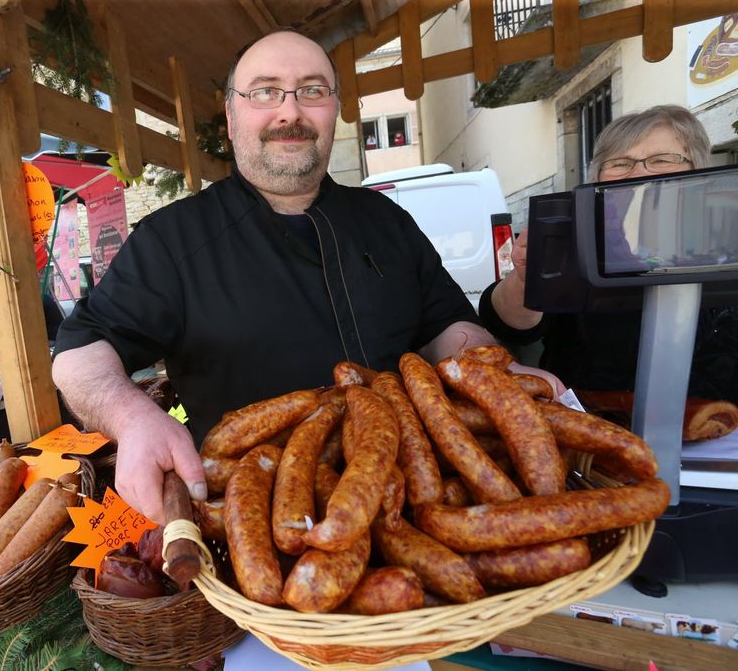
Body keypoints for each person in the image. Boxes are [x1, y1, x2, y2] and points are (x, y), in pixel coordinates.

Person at [52, 29, 559, 524]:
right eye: (265, 92)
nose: (290, 111)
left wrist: (496, 379)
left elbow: (446, 324)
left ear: (335, 108)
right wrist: (132, 418)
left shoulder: (386, 220)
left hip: (413, 502)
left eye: (312, 90)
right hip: (255, 518)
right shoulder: (172, 240)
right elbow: (79, 351)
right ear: (230, 115)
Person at [479, 104, 735, 402]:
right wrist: (527, 276)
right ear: (598, 177)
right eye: (620, 163)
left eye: (661, 160)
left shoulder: (725, 238)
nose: (639, 172)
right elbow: (508, 324)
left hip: (721, 419)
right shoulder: (574, 237)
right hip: (588, 419)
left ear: (698, 170)